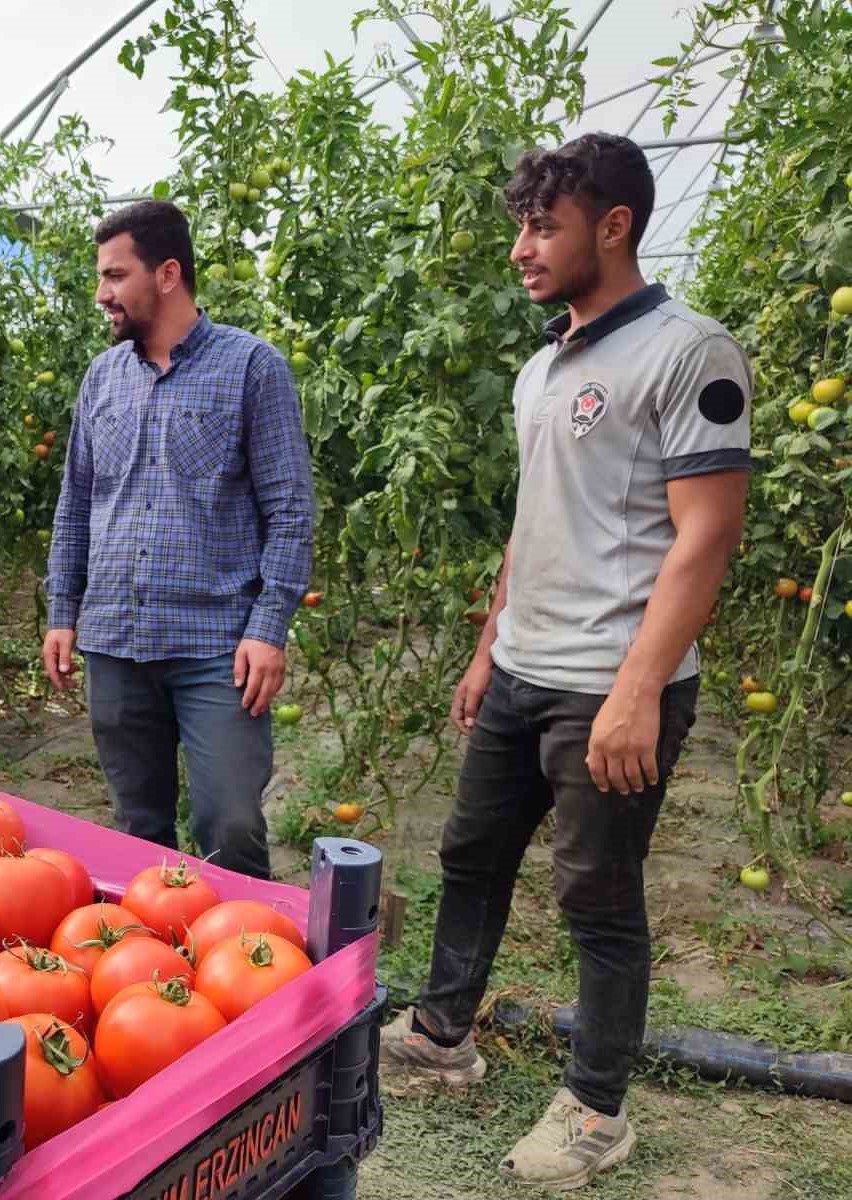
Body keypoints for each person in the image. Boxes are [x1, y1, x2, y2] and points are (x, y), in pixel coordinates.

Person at [379, 134, 751, 1189]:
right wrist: (489, 640)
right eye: (520, 226)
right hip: (526, 666)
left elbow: (705, 534)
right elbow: (535, 518)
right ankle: (442, 1033)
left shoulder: (688, 351)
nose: (521, 249)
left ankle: (595, 1110)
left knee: (596, 896)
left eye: (544, 226)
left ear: (614, 226)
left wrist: (636, 690)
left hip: (610, 682)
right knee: (469, 855)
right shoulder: (543, 366)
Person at [41, 200, 313, 880]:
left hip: (216, 645)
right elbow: (76, 501)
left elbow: (289, 510)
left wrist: (270, 627)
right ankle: (153, 970)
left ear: (167, 274)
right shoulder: (101, 380)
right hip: (116, 640)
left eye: (114, 274)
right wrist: (61, 611)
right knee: (138, 831)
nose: (102, 294)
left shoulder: (253, 367)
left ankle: (248, 970)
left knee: (231, 823)